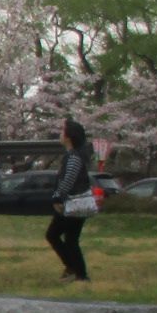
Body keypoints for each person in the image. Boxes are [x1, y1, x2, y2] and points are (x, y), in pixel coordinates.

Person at [46, 120, 92, 285]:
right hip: (77, 203)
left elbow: (68, 180)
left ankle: (75, 270)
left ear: (69, 137)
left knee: (53, 234)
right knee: (71, 239)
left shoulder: (73, 157)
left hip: (72, 203)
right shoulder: (77, 155)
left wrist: (57, 196)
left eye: (62, 131)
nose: (60, 134)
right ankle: (79, 273)